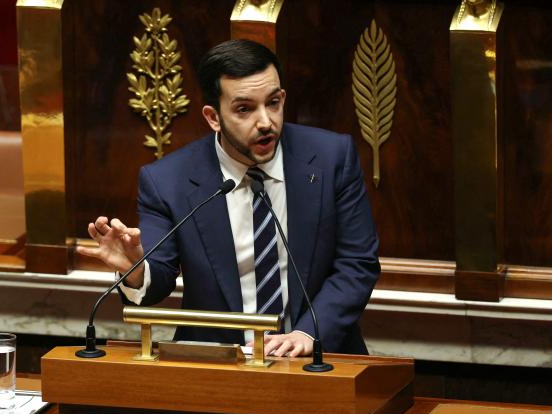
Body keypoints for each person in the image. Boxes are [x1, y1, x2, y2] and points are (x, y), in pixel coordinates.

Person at [76, 39, 380, 357]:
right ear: (213, 117)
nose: (266, 122)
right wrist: (136, 271)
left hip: (318, 356)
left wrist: (307, 333)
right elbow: (159, 277)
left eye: (273, 103)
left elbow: (357, 263)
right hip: (217, 362)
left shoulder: (331, 158)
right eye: (244, 109)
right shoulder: (168, 180)